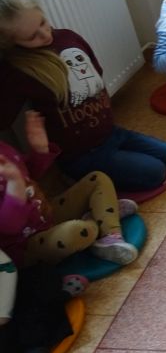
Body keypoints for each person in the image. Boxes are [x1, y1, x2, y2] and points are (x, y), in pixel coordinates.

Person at [0, 0, 166, 193]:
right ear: (11, 43)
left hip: (111, 133)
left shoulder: (68, 37)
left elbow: (96, 71)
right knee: (156, 173)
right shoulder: (16, 70)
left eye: (42, 22)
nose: (45, 34)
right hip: (80, 155)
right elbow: (3, 119)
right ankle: (77, 176)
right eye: (32, 37)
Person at [0, 110, 140, 267]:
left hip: (46, 214)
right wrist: (14, 185)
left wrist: (39, 150)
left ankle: (111, 234)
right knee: (77, 231)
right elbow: (10, 227)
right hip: (26, 245)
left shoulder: (3, 148)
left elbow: (30, 174)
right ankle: (102, 216)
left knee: (98, 178)